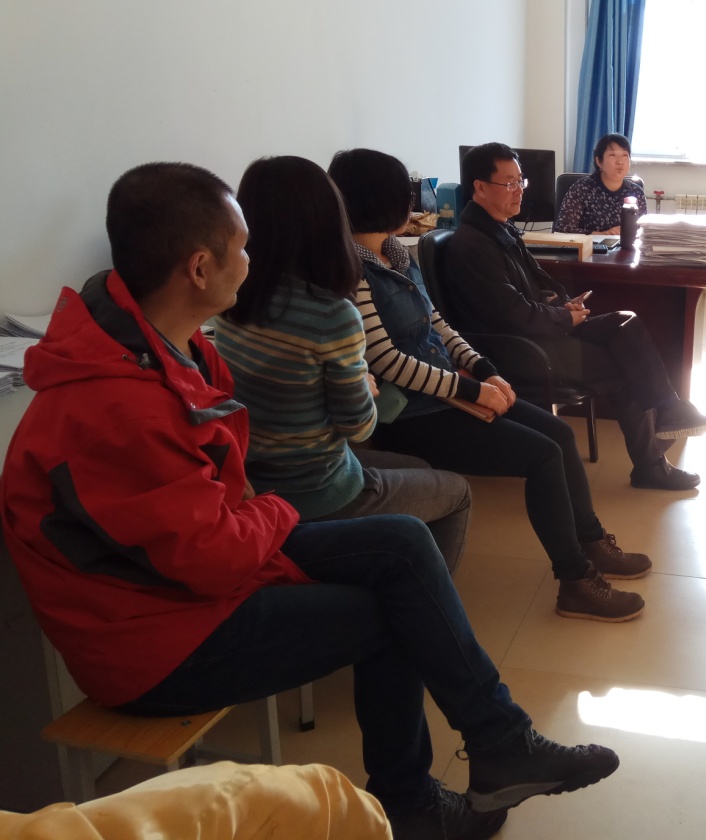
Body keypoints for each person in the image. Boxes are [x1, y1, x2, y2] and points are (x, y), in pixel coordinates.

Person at [0, 162, 620, 840]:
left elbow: (221, 490)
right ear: (200, 268)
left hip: (193, 571)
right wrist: (277, 507)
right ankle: (416, 800)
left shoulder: (169, 344)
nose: (252, 258)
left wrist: (256, 504)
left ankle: (501, 744)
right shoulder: (121, 404)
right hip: (156, 639)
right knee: (398, 613)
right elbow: (212, 555)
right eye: (241, 246)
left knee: (403, 542)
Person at [326, 148, 651, 622]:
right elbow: (387, 361)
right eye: (404, 194)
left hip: (451, 390)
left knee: (559, 435)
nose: (413, 202)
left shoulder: (395, 253)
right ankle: (575, 581)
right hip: (413, 413)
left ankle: (592, 541)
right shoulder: (351, 271)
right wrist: (469, 391)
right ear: (377, 200)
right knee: (542, 456)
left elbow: (438, 325)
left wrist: (483, 370)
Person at [214, 156, 470, 572]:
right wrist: (365, 385)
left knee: (417, 468)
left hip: (253, 475)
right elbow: (360, 427)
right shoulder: (330, 312)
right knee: (456, 493)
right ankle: (421, 597)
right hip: (315, 488)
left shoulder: (230, 299)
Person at [443, 142, 706, 490]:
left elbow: (531, 289)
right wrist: (563, 318)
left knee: (625, 322)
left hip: (539, 330)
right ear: (480, 187)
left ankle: (669, 410)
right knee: (624, 361)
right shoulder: (474, 244)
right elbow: (511, 316)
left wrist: (561, 304)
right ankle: (652, 461)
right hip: (519, 349)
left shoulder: (500, 228)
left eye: (521, 181)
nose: (519, 190)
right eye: (509, 183)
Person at [554, 133, 646, 234]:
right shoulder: (582, 188)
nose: (620, 161)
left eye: (625, 155)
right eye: (612, 155)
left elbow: (644, 230)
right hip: (589, 244)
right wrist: (602, 235)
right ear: (599, 161)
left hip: (626, 244)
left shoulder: (636, 192)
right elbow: (562, 229)